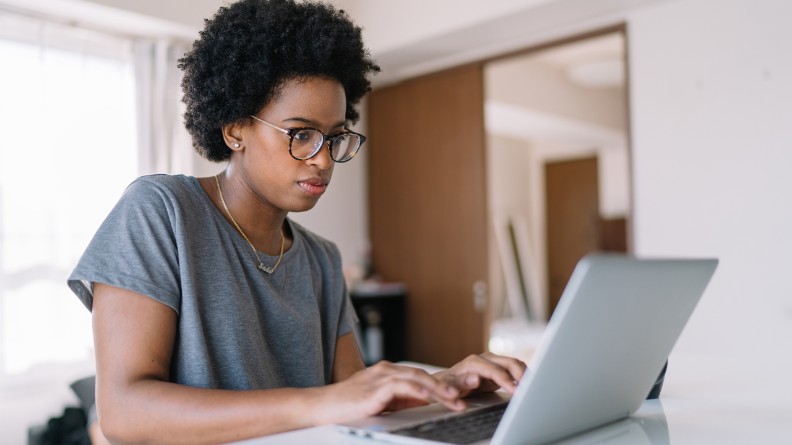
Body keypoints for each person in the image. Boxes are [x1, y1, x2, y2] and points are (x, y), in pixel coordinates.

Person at [68, 0, 526, 443]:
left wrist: (447, 383)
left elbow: (355, 397)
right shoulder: (160, 211)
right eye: (301, 134)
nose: (323, 159)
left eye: (334, 137)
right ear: (234, 129)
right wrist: (316, 404)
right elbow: (124, 413)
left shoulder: (322, 259)